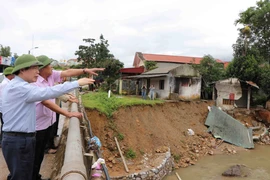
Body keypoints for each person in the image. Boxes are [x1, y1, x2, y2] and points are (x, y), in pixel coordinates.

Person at [1, 54, 95, 180]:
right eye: (34, 68)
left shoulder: (19, 86)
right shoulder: (20, 88)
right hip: (19, 139)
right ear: (23, 69)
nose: (37, 71)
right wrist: (77, 83)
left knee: (24, 173)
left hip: (20, 138)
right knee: (21, 175)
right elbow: (47, 92)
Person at [32, 55, 104, 180]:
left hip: (47, 123)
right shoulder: (36, 82)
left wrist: (84, 71)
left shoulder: (50, 75)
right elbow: (46, 102)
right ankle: (32, 176)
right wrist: (68, 114)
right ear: (42, 68)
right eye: (49, 65)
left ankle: (36, 176)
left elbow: (67, 72)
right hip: (37, 125)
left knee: (39, 155)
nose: (52, 67)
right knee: (34, 155)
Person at [0, 67, 15, 148]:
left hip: (3, 109)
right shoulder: (5, 84)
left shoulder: (7, 83)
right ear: (10, 75)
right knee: (5, 126)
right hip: (3, 109)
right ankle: (2, 142)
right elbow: (4, 98)